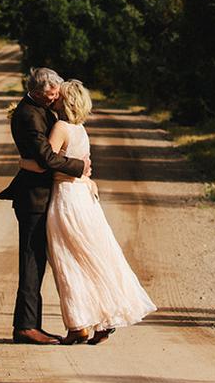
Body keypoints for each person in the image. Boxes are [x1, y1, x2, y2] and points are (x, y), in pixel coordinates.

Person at [20, 79, 156, 345]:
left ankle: (78, 325)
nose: (54, 98)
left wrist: (22, 161)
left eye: (59, 96)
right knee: (91, 258)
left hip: (67, 199)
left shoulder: (60, 127)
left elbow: (45, 163)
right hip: (85, 198)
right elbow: (78, 163)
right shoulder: (81, 129)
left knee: (67, 261)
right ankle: (103, 320)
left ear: (65, 102)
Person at [0, 67, 90, 345]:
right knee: (31, 262)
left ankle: (33, 324)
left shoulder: (43, 109)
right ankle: (25, 327)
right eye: (50, 95)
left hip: (47, 195)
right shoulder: (28, 115)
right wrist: (79, 167)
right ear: (37, 91)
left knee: (40, 261)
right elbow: (46, 158)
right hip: (32, 199)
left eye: (56, 95)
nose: (54, 99)